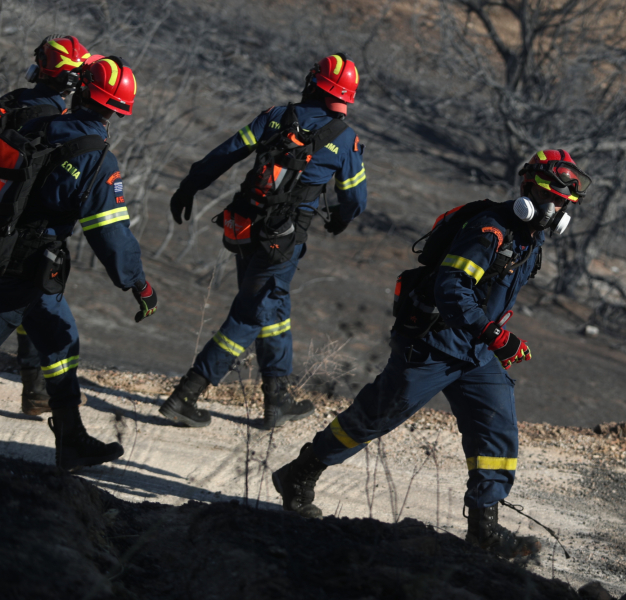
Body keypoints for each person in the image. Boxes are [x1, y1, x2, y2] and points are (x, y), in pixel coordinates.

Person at [271, 149, 592, 558]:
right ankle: (300, 473)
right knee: (377, 415)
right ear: (528, 192)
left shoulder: (532, 237)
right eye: (553, 199)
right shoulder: (489, 228)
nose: (558, 209)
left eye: (565, 204)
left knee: (496, 428)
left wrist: (492, 336)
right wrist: (494, 333)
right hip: (432, 342)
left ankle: (484, 529)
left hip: (474, 350)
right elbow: (451, 287)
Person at [161, 54, 367, 430]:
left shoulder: (275, 116)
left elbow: (225, 153)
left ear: (312, 83)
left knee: (273, 307)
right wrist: (339, 220)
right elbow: (355, 200)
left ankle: (277, 399)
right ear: (344, 99)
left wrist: (189, 185)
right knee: (250, 313)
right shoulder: (346, 140)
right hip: (282, 243)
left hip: (243, 227)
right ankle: (185, 395)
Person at [0, 56, 158, 471]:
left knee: (61, 338)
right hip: (23, 268)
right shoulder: (97, 158)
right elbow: (111, 235)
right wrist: (138, 284)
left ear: (82, 89)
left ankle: (71, 439)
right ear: (119, 109)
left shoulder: (37, 124)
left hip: (21, 262)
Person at [0, 34, 92, 415]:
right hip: (23, 235)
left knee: (34, 307)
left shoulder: (10, 104)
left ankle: (39, 393)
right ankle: (45, 396)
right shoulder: (56, 123)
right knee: (34, 305)